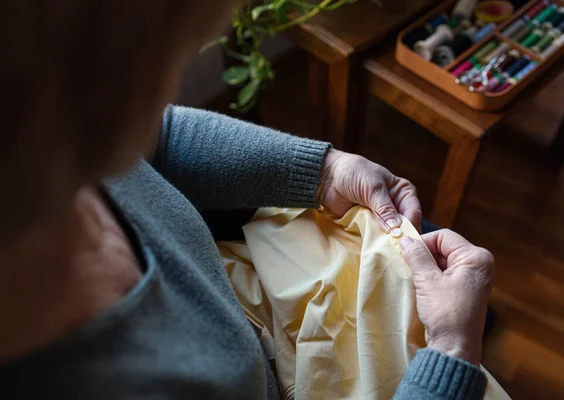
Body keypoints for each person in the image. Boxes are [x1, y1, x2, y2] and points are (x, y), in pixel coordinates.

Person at [0, 1, 494, 399]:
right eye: (166, 64)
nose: (171, 87)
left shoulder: (54, 131)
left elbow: (158, 137)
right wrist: (450, 355)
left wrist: (322, 171)